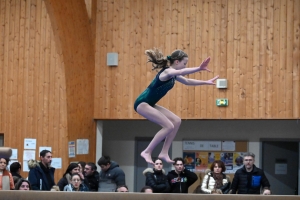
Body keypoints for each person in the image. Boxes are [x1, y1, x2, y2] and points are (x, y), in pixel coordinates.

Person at [134, 48, 219, 164]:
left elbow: (188, 81)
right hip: (142, 103)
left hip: (150, 103)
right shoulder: (167, 72)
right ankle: (147, 151)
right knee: (168, 126)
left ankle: (164, 152)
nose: (185, 66)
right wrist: (199, 68)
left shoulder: (173, 75)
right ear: (177, 62)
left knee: (176, 121)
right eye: (184, 63)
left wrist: (206, 82)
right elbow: (180, 72)